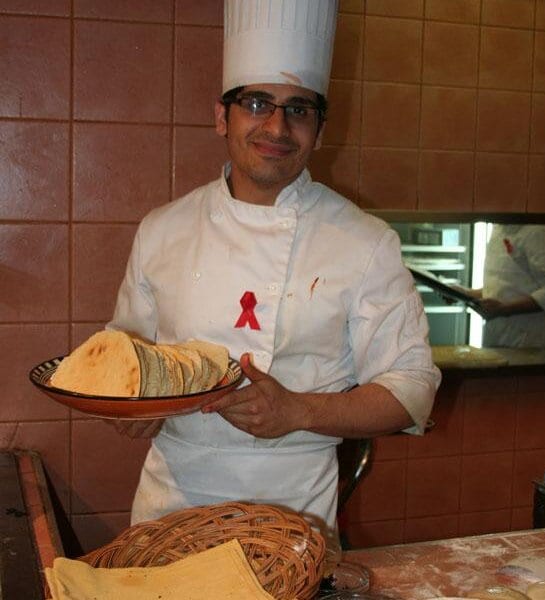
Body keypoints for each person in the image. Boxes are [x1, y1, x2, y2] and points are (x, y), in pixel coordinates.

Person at [107, 0, 440, 533]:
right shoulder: (162, 230)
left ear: (320, 130)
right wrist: (131, 407)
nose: (278, 126)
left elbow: (413, 388)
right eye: (257, 103)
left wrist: (299, 412)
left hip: (296, 513)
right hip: (173, 506)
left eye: (299, 109)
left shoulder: (364, 241)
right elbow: (123, 359)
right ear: (222, 116)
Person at [462, 224, 545, 348]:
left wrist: (504, 309)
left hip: (530, 341)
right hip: (497, 336)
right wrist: (465, 293)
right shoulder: (498, 227)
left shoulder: (539, 231)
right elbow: (504, 286)